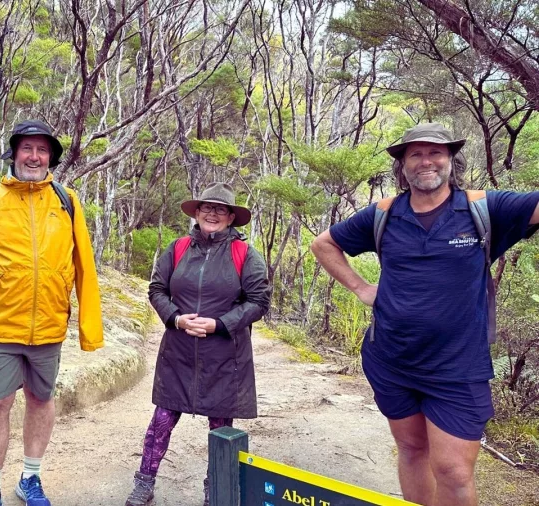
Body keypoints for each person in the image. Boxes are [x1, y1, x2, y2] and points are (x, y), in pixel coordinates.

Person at [311, 123, 539, 506]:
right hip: (392, 360)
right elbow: (324, 244)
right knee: (412, 449)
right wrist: (361, 288)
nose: (426, 161)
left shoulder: (484, 208)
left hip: (457, 369)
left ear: (451, 160)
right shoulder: (384, 214)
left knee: (453, 471)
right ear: (402, 166)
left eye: (435, 153)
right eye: (415, 154)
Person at [0, 120, 104, 506]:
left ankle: (30, 478)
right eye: (27, 148)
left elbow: (84, 264)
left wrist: (89, 330)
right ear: (14, 153)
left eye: (43, 150)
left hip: (48, 327)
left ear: (51, 157)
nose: (35, 156)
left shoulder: (67, 201)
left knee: (40, 399)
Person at [125, 182, 271, 506]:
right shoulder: (178, 249)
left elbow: (260, 301)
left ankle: (216, 490)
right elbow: (157, 289)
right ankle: (144, 483)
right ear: (198, 212)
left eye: (221, 209)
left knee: (221, 430)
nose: (213, 214)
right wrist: (176, 318)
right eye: (207, 208)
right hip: (178, 352)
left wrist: (220, 324)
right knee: (161, 420)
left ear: (231, 217)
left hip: (224, 356)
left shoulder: (245, 255)